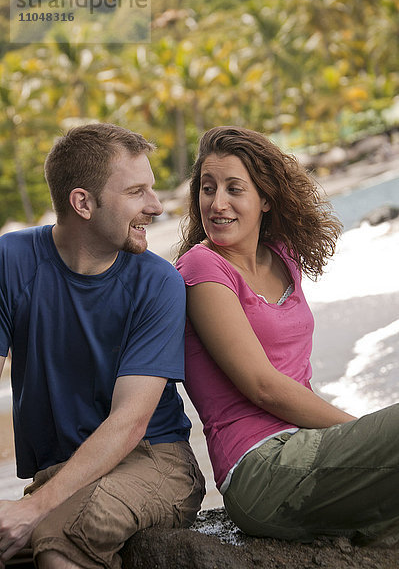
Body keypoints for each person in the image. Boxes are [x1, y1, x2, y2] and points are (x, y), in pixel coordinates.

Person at [176, 125, 399, 545]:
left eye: (233, 189)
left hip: (307, 452)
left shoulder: (282, 256)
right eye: (207, 189)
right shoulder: (202, 269)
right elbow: (265, 387)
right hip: (260, 471)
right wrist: (363, 435)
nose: (217, 203)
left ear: (265, 198)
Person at [0, 123, 205, 569]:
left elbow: (130, 422)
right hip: (61, 472)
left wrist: (33, 508)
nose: (156, 205)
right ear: (83, 203)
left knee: (60, 541)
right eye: (137, 192)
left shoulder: (159, 283)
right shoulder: (10, 261)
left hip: (155, 460)